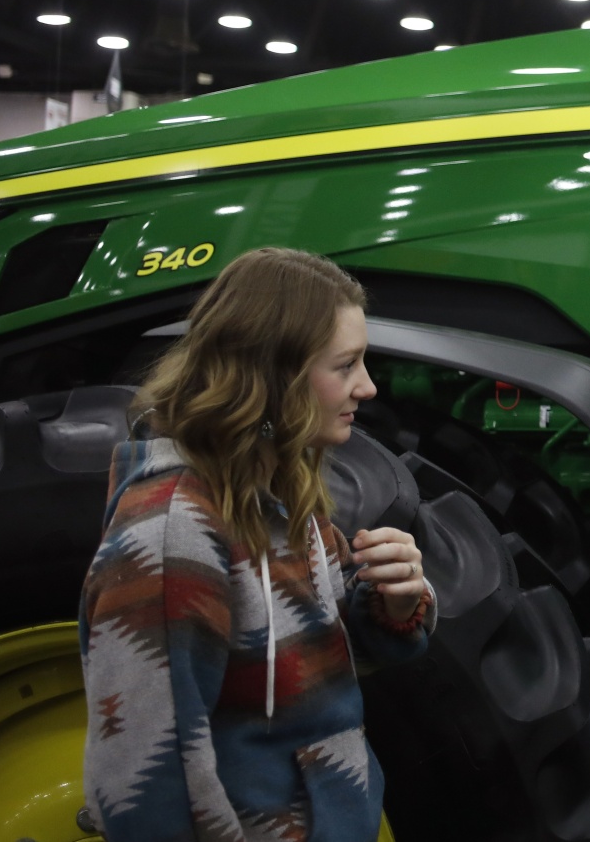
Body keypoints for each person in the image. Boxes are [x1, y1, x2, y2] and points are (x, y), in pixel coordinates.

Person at [80, 247, 435, 842]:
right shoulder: (171, 533)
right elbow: (142, 779)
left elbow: (308, 662)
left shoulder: (280, 489)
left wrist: (392, 604)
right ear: (273, 376)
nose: (368, 387)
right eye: (345, 366)